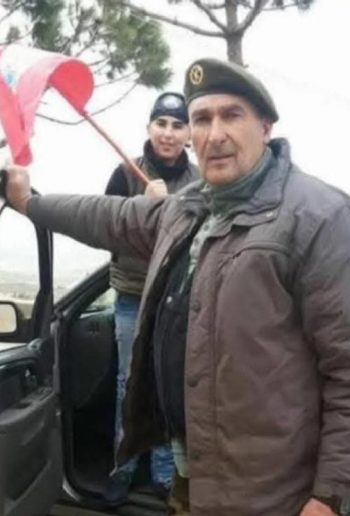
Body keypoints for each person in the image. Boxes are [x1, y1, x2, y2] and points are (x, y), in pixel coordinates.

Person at [4, 58, 350, 516]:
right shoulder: (189, 208)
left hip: (272, 496)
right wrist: (30, 203)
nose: (215, 134)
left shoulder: (321, 219)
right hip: (193, 477)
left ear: (265, 126)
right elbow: (110, 216)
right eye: (202, 119)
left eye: (232, 115)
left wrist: (329, 498)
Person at [104, 92, 198, 505]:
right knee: (128, 386)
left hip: (176, 302)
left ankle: (163, 475)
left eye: (178, 125)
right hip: (131, 298)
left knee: (167, 387)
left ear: (189, 134)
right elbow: (107, 230)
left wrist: (172, 208)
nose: (168, 133)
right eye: (161, 123)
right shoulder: (125, 173)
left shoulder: (201, 181)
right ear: (149, 128)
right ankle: (122, 468)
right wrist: (145, 206)